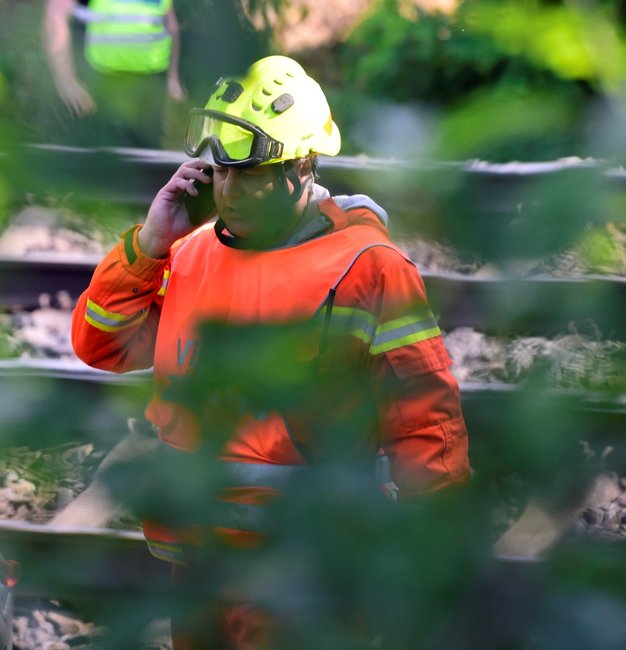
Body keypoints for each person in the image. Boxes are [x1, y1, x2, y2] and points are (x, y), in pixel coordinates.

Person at [70, 55, 472, 648]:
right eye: (221, 170)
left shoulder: (369, 267)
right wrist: (150, 243)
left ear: (303, 166)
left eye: (250, 174)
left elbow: (426, 422)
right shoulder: (192, 250)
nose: (228, 190)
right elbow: (103, 346)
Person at [43, 0, 186, 148]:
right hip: (98, 85)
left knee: (146, 159)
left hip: (151, 86)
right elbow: (56, 16)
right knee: (95, 158)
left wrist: (172, 80)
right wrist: (66, 82)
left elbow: (170, 24)